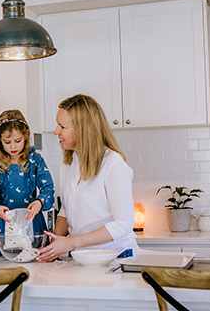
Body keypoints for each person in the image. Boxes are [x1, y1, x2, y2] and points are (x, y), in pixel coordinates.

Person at [37, 94, 140, 261]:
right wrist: (52, 246)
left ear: (82, 129)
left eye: (62, 127)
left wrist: (70, 243)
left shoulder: (113, 164)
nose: (56, 131)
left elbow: (123, 224)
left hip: (116, 258)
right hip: (83, 258)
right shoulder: (69, 162)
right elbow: (66, 209)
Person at [0, 110, 55, 257]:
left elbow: (48, 188)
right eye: (7, 142)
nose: (13, 146)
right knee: (0, 267)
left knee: (36, 266)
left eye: (18, 141)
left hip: (32, 222)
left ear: (26, 135)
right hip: (4, 224)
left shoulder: (35, 159)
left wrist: (40, 202)